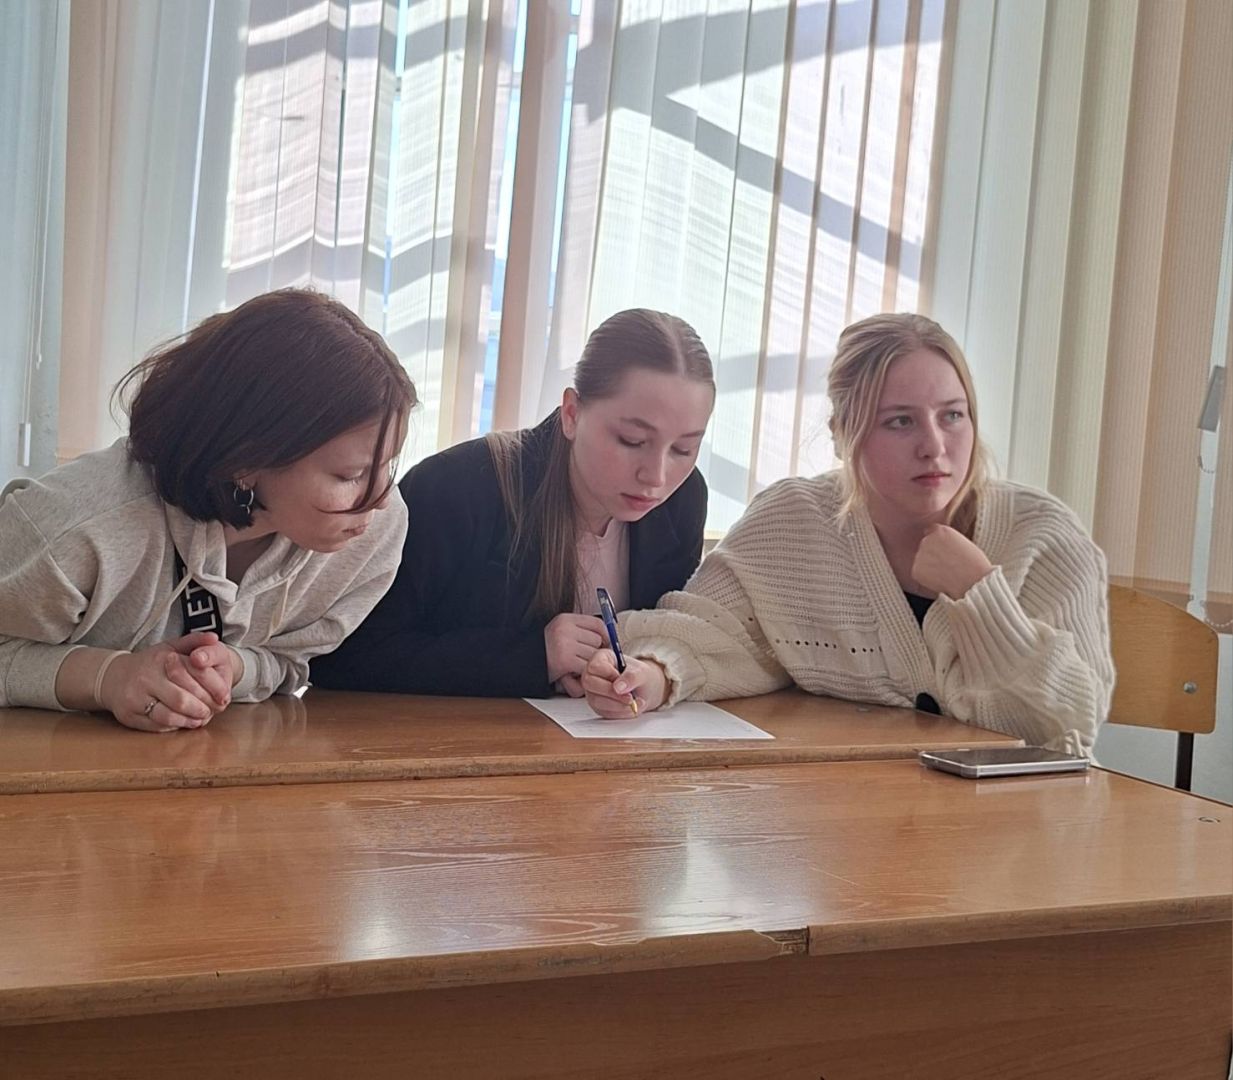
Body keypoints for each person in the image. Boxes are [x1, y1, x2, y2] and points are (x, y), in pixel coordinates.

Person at [582, 312, 1114, 757]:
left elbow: (1070, 724)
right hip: (852, 813)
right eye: (900, 421)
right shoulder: (793, 520)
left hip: (1015, 828)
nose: (934, 446)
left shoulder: (1042, 536)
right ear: (842, 435)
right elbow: (716, 633)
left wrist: (980, 593)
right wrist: (654, 673)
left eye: (953, 416)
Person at [0, 288, 415, 733]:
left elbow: (291, 662)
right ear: (246, 459)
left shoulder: (375, 534)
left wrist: (234, 668)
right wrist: (105, 678)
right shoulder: (75, 528)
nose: (380, 497)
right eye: (351, 475)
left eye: (388, 464)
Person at [310, 308, 716, 698]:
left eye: (684, 449)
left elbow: (672, 633)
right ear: (571, 413)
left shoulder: (683, 500)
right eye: (632, 440)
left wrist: (644, 673)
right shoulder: (457, 488)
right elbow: (344, 655)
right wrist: (535, 656)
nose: (656, 477)